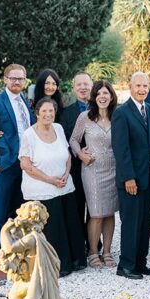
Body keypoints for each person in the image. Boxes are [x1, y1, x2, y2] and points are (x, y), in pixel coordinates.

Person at [18, 97, 86, 277]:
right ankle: (57, 266)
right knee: (54, 228)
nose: (48, 114)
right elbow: (26, 165)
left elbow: (68, 154)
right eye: (44, 111)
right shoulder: (29, 135)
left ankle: (75, 260)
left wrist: (66, 174)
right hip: (42, 190)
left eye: (51, 111)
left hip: (64, 185)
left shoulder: (58, 128)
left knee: (71, 224)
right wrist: (50, 180)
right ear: (37, 114)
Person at [0, 63, 35, 256]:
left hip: (25, 163)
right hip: (6, 163)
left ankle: (14, 242)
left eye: (21, 78)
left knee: (19, 205)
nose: (17, 82)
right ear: (5, 80)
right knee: (1, 206)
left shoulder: (24, 102)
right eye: (13, 78)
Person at [69, 79, 119, 270]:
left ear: (111, 96)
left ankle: (107, 251)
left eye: (106, 93)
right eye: (98, 94)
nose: (102, 97)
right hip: (92, 170)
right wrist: (81, 154)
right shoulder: (85, 117)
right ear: (94, 97)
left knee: (110, 213)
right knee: (97, 213)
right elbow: (73, 139)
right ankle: (92, 252)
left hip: (114, 169)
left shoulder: (118, 116)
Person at [111, 71, 150, 280]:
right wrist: (129, 177)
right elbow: (121, 149)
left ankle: (140, 262)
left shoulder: (149, 109)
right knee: (130, 223)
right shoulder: (122, 112)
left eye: (145, 86)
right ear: (130, 87)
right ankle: (126, 265)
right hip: (131, 179)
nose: (142, 89)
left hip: (148, 179)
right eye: (138, 86)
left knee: (145, 222)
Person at [60, 71, 94, 231]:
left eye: (86, 84)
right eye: (79, 84)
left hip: (97, 166)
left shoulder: (101, 108)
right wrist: (79, 153)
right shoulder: (65, 113)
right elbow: (63, 140)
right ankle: (80, 242)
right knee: (78, 205)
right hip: (75, 167)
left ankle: (94, 241)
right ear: (74, 88)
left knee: (96, 208)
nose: (83, 87)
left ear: (92, 86)